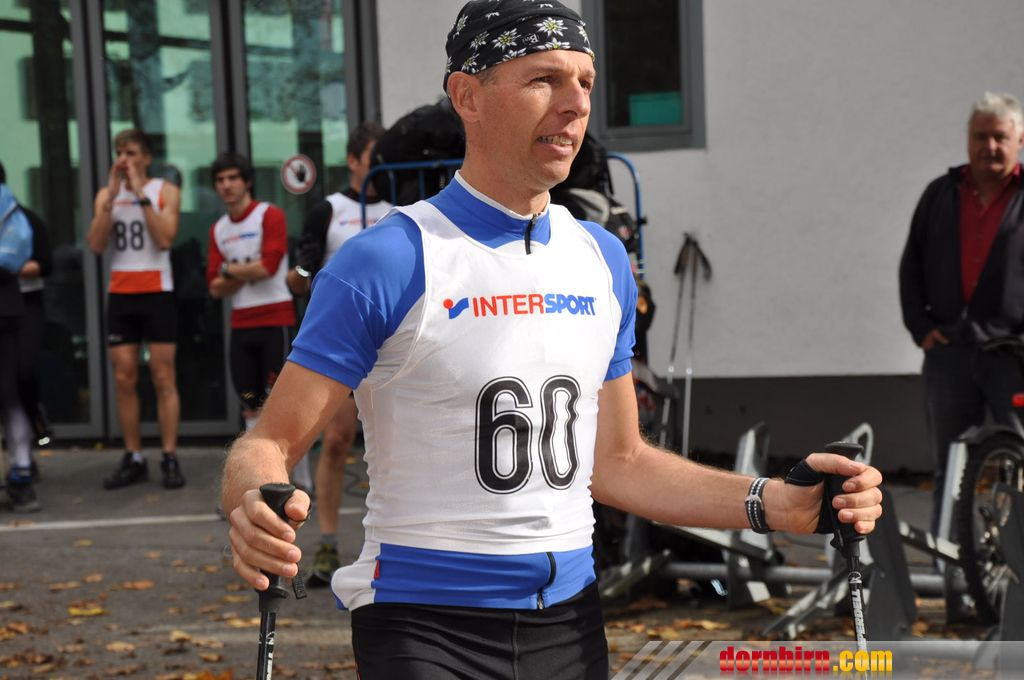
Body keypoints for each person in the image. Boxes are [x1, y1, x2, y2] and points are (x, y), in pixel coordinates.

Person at [222, 2, 884, 678]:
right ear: (468, 97)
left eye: (585, 82)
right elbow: (266, 444)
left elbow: (618, 462)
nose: (576, 104)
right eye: (544, 79)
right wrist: (253, 501)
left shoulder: (602, 259)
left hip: (569, 624)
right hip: (425, 627)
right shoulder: (388, 259)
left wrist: (775, 502)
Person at [899, 92, 1024, 536]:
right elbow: (911, 264)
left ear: (1019, 140)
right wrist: (921, 328)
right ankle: (950, 569)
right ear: (968, 140)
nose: (990, 146)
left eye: (1000, 137)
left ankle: (1014, 567)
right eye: (980, 136)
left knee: (1019, 461)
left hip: (1013, 356)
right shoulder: (940, 194)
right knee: (950, 467)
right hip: (948, 352)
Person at [283, 122, 392, 586]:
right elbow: (299, 278)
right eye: (371, 156)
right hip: (345, 345)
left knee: (398, 444)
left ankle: (394, 548)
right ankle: (327, 544)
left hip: (394, 349)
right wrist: (303, 272)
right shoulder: (328, 209)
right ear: (352, 161)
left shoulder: (404, 206)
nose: (379, 164)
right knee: (336, 441)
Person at [86, 129, 185, 490]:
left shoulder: (165, 191)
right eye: (119, 153)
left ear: (145, 158)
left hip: (157, 291)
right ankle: (134, 455)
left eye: (130, 153)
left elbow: (165, 239)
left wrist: (141, 194)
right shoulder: (107, 194)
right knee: (124, 377)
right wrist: (112, 200)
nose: (123, 160)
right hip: (122, 293)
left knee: (163, 377)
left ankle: (169, 454)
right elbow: (96, 244)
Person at [206, 152, 296, 435]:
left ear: (247, 182)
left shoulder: (270, 215)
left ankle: (297, 466)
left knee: (281, 404)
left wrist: (228, 269)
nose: (226, 185)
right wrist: (246, 270)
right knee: (249, 406)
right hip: (241, 324)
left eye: (233, 178)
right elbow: (214, 288)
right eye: (220, 180)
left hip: (275, 319)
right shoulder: (218, 229)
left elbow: (268, 267)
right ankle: (258, 464)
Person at [2, 161, 55, 459]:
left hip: (25, 304)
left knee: (22, 371)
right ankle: (20, 457)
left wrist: (7, 267)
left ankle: (34, 422)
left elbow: (45, 264)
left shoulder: (24, 220)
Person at [0, 170, 38, 513]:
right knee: (8, 394)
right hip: (7, 305)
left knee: (8, 394)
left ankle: (22, 477)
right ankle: (22, 476)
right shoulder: (10, 204)